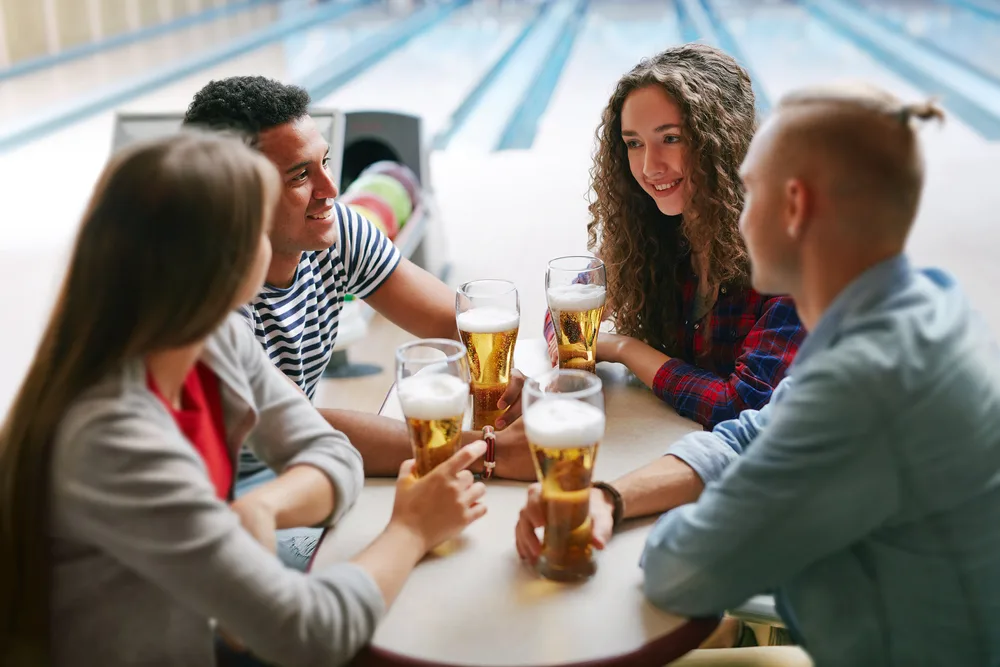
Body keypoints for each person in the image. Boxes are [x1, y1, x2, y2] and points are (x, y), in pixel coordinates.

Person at [0, 133, 488, 667]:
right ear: (221, 262)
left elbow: (333, 451)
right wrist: (412, 530)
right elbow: (308, 633)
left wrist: (263, 505)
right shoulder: (114, 439)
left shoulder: (212, 341)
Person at [556, 84, 1000, 666]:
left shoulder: (868, 384)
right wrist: (608, 497)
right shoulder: (918, 308)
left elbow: (679, 572)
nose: (734, 215)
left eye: (748, 190)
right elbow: (751, 432)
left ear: (793, 207)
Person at [182, 76, 533, 569]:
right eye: (299, 176)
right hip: (224, 505)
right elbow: (301, 425)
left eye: (324, 162)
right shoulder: (206, 298)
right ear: (233, 195)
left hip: (304, 473)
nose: (330, 190)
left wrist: (511, 378)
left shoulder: (335, 229)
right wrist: (485, 450)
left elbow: (455, 321)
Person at [544, 44, 803, 429]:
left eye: (671, 138)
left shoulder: (793, 257)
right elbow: (566, 313)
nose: (650, 167)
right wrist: (574, 331)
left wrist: (625, 349)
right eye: (634, 143)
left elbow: (742, 406)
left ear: (724, 141)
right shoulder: (655, 232)